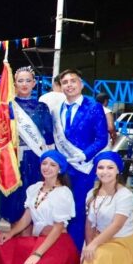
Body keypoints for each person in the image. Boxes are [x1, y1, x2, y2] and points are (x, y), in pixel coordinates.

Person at [0, 150, 78, 264]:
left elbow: (58, 228)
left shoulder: (63, 193)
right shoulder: (34, 188)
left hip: (54, 243)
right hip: (36, 240)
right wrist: (11, 233)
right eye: (44, 163)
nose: (47, 167)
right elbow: (27, 217)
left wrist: (37, 254)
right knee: (2, 248)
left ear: (60, 169)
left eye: (53, 165)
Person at [50, 69, 109, 251]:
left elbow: (102, 138)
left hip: (83, 168)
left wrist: (85, 154)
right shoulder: (58, 109)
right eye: (65, 82)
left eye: (73, 81)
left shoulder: (94, 107)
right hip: (62, 168)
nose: (69, 85)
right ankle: (58, 251)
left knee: (77, 212)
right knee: (59, 209)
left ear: (81, 84)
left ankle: (73, 253)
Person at [76, 151, 133, 264]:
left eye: (110, 168)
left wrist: (94, 245)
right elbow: (89, 223)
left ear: (118, 170)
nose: (105, 172)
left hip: (121, 242)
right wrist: (88, 245)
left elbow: (116, 225)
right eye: (101, 167)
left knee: (99, 255)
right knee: (90, 256)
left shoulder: (125, 195)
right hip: (100, 240)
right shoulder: (92, 193)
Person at [1, 66, 55, 223]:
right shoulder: (7, 107)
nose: (24, 84)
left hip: (35, 158)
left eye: (28, 80)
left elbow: (49, 136)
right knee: (13, 201)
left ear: (34, 83)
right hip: (13, 158)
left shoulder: (42, 107)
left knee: (32, 199)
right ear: (14, 84)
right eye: (20, 81)